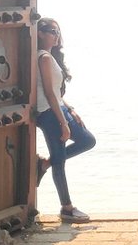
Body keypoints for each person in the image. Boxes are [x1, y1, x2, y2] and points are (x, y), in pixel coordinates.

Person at [35, 18, 96, 223]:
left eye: (58, 31)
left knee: (88, 140)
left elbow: (57, 94)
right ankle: (67, 208)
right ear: (40, 33)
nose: (56, 35)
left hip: (59, 109)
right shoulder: (43, 57)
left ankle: (44, 164)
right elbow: (50, 94)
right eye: (52, 31)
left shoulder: (50, 57)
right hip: (49, 113)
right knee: (60, 161)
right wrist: (63, 123)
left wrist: (70, 110)